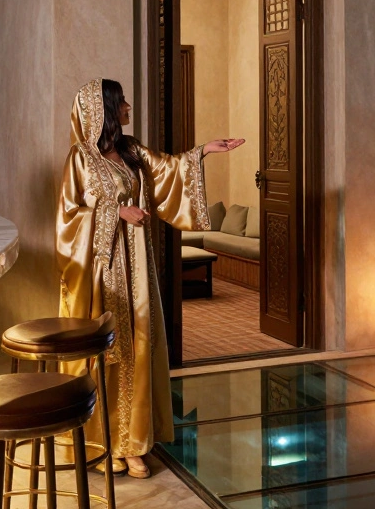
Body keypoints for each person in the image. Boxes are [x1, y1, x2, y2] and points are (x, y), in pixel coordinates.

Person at [57, 78, 243, 479]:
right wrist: (116, 213)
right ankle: (102, 442)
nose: (127, 106)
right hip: (101, 272)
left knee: (140, 343)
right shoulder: (80, 158)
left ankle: (134, 442)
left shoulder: (130, 149)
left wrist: (203, 152)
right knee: (107, 350)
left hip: (137, 269)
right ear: (105, 110)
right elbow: (67, 217)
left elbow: (167, 168)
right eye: (120, 101)